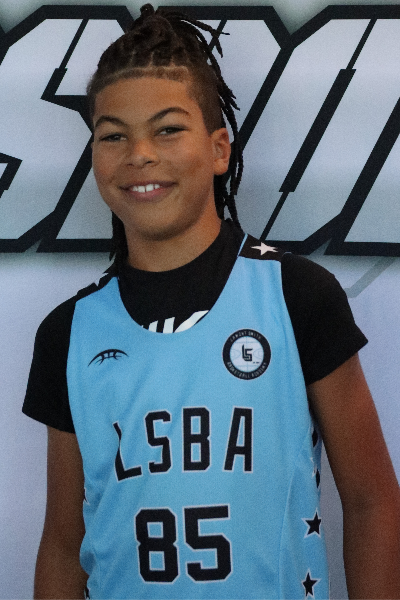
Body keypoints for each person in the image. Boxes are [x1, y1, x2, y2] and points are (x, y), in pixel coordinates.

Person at [23, 5, 400, 599]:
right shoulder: (69, 333)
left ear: (219, 149)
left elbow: (372, 499)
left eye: (167, 129)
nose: (139, 153)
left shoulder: (295, 295)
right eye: (113, 135)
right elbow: (64, 543)